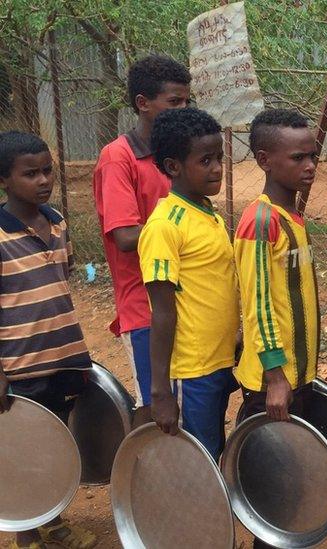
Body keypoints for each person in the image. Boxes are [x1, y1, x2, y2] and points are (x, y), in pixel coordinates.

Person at [0, 131, 97, 549]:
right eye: (30, 174)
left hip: (63, 358)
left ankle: (55, 524)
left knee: (55, 444)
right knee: (24, 451)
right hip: (20, 367)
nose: (43, 181)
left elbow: (61, 280)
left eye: (47, 171)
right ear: (4, 180)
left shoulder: (57, 222)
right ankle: (26, 532)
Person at [92, 55, 190, 424]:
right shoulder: (118, 159)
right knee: (157, 410)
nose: (182, 109)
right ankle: (138, 480)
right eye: (173, 101)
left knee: (184, 407)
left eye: (186, 101)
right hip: (144, 306)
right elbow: (126, 236)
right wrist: (186, 233)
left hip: (182, 302)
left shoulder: (173, 155)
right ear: (143, 104)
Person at [138, 108, 239, 460]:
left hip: (220, 358)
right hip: (192, 368)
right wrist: (160, 390)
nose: (217, 168)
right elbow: (162, 312)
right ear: (173, 167)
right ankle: (189, 515)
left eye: (219, 158)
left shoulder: (206, 212)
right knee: (198, 457)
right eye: (205, 160)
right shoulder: (165, 226)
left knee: (213, 446)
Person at [234, 109, 320, 435]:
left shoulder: (292, 216)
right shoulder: (261, 221)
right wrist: (276, 377)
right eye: (298, 158)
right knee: (271, 472)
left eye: (313, 155)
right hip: (272, 382)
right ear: (264, 160)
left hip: (298, 375)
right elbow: (258, 305)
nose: (310, 165)